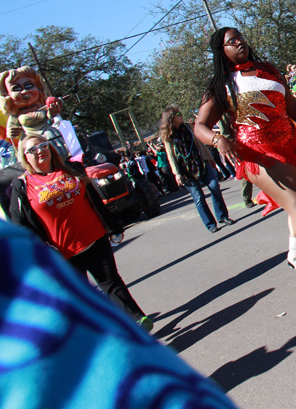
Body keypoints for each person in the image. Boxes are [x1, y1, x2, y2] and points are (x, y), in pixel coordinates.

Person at [193, 28, 296, 288]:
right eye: (231, 42)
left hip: (291, 143)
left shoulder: (267, 69)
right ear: (221, 51)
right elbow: (199, 126)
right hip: (257, 152)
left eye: (241, 38)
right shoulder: (221, 86)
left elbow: (291, 106)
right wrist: (218, 140)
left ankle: (295, 255)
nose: (239, 43)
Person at [8, 134, 153, 332]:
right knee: (81, 295)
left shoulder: (71, 169)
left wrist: (112, 227)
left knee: (111, 282)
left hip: (93, 237)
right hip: (62, 252)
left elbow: (94, 200)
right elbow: (19, 223)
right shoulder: (22, 186)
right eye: (32, 149)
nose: (39, 151)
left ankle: (137, 320)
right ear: (25, 157)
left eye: (42, 145)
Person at [158, 106, 234, 233]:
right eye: (177, 113)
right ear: (171, 118)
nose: (180, 114)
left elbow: (199, 143)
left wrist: (210, 158)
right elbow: (170, 156)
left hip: (200, 163)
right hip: (185, 170)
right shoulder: (168, 135)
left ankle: (223, 217)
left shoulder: (188, 127)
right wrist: (176, 173)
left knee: (215, 186)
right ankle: (210, 224)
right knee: (198, 197)